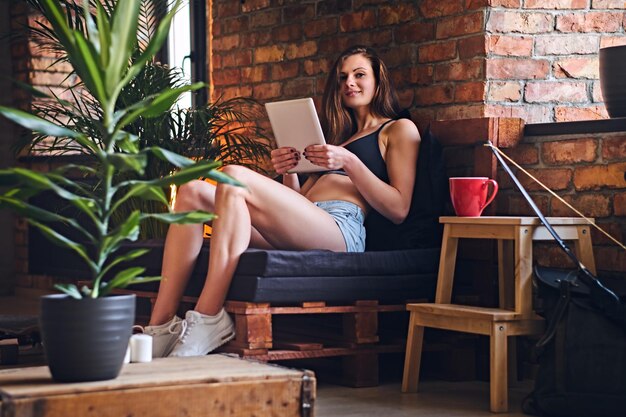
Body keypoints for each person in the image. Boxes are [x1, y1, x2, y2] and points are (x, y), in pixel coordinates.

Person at [142, 45, 422, 357]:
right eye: (343, 77)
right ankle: (161, 325)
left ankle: (209, 316)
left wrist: (349, 161)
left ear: (378, 81)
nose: (349, 84)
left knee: (234, 175)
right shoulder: (337, 139)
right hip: (306, 222)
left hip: (340, 230)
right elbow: (299, 201)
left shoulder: (398, 129)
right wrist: (289, 170)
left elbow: (399, 208)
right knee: (192, 191)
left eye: (359, 75)